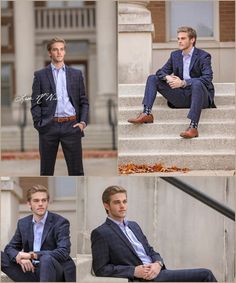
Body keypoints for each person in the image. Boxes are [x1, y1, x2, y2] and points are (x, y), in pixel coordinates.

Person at [91, 185, 217, 282]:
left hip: (158, 272)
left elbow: (151, 251)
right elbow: (101, 269)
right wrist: (133, 271)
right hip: (142, 278)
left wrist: (158, 263)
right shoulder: (101, 233)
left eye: (124, 201)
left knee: (205, 274)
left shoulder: (134, 226)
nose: (122, 206)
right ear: (106, 205)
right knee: (205, 275)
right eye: (117, 202)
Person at [128, 26, 216, 139]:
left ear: (192, 39)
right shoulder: (175, 55)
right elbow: (160, 72)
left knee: (197, 83)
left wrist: (183, 83)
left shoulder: (203, 56)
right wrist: (167, 77)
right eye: (178, 38)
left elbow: (207, 78)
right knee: (152, 78)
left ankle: (193, 127)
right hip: (181, 96)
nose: (179, 41)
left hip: (200, 96)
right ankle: (147, 113)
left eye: (183, 38)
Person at [31, 37, 89, 176]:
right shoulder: (40, 75)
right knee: (46, 171)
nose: (59, 52)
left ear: (65, 52)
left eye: (62, 49)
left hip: (71, 126)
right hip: (49, 127)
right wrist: (39, 124)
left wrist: (82, 123)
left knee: (77, 172)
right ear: (49, 53)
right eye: (55, 49)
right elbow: (35, 103)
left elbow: (83, 101)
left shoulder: (76, 74)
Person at [1, 185, 76, 282]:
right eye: (36, 201)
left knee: (45, 259)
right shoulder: (23, 223)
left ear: (47, 202)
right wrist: (18, 257)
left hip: (54, 271)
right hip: (30, 270)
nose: (40, 204)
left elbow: (63, 252)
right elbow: (10, 248)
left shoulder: (60, 222)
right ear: (29, 204)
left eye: (44, 200)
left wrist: (32, 255)